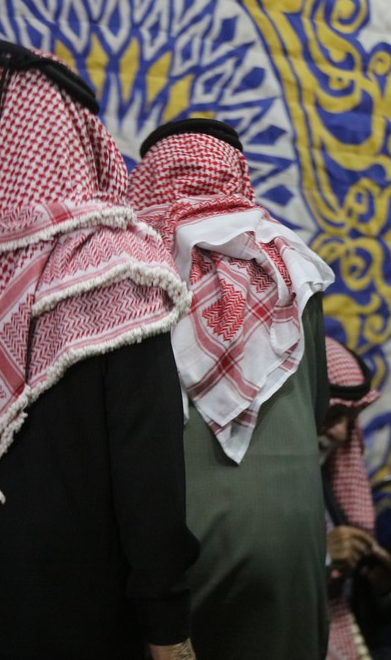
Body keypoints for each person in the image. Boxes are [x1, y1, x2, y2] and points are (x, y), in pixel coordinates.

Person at [0, 42, 198, 659]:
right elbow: (148, 472)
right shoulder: (115, 269)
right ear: (78, 138)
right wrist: (168, 626)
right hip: (80, 620)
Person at [128, 118, 335, 659]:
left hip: (170, 547)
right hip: (288, 541)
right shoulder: (296, 268)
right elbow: (317, 409)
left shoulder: (133, 274)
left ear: (149, 176)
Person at [322, 336, 391, 660]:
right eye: (331, 416)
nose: (342, 434)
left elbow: (358, 620)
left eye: (350, 419)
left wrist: (379, 583)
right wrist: (320, 557)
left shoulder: (325, 476)